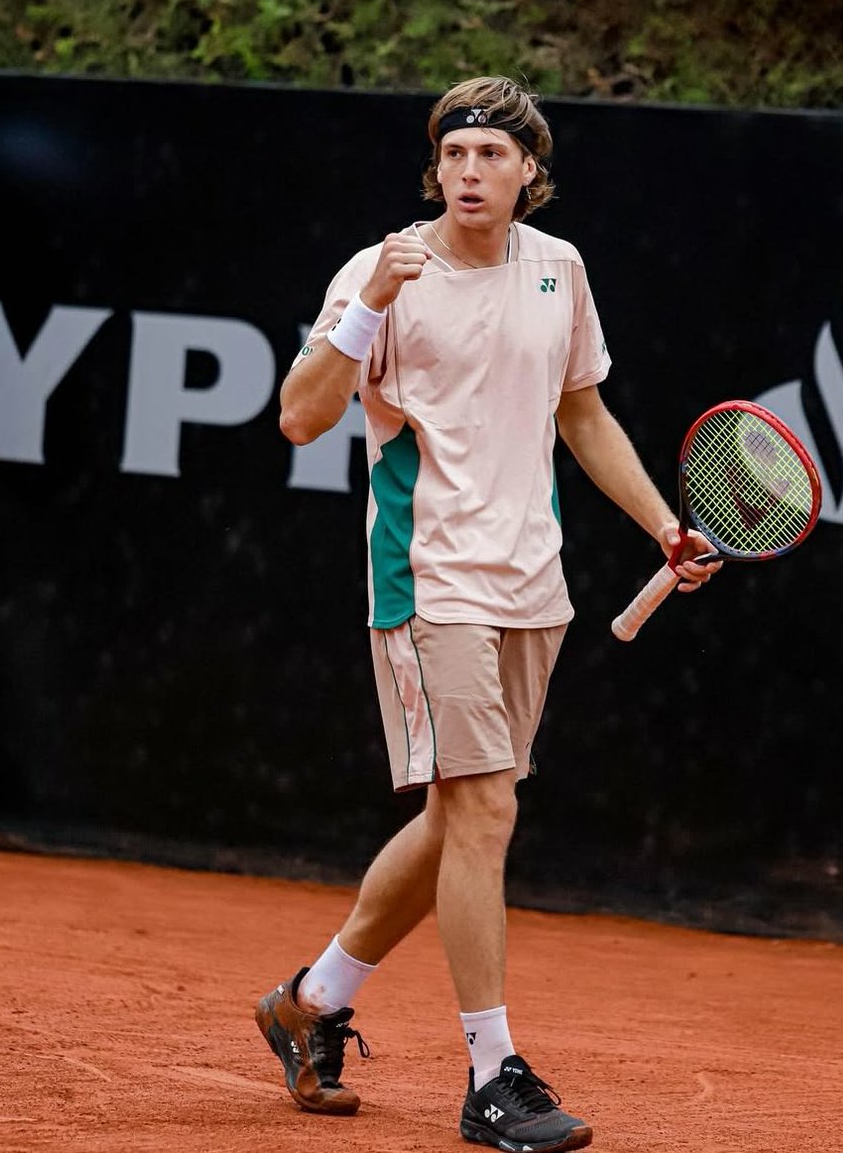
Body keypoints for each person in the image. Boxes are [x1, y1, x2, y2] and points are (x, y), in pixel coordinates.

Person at [256, 75, 719, 1153]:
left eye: (491, 157)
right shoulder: (386, 271)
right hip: (428, 580)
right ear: (437, 170)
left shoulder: (560, 271)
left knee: (463, 817)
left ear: (528, 175)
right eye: (454, 155)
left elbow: (582, 412)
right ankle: (492, 1072)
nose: (470, 172)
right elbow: (297, 418)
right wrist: (368, 303)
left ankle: (310, 1004)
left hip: (533, 582)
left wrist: (661, 524)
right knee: (487, 818)